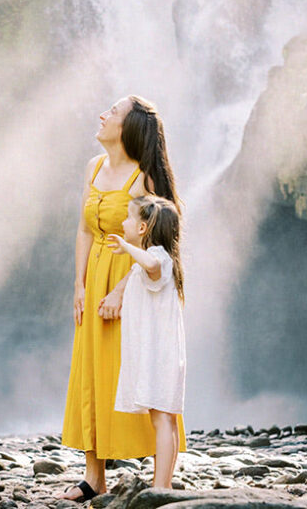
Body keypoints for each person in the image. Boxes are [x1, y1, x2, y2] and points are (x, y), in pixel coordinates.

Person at [58, 96, 186, 502]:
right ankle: (93, 477)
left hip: (130, 283)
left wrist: (119, 290)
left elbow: (159, 244)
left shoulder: (145, 178)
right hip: (94, 275)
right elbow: (84, 229)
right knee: (91, 369)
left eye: (112, 112)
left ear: (129, 127)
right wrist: (79, 284)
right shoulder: (93, 167)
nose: (102, 114)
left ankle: (158, 479)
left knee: (133, 365)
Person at [108, 195, 186, 489]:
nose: (123, 222)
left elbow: (152, 264)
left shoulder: (160, 259)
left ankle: (162, 486)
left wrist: (127, 248)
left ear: (142, 228)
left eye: (129, 218)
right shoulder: (153, 261)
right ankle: (162, 482)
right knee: (164, 419)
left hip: (161, 356)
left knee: (163, 419)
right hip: (159, 354)